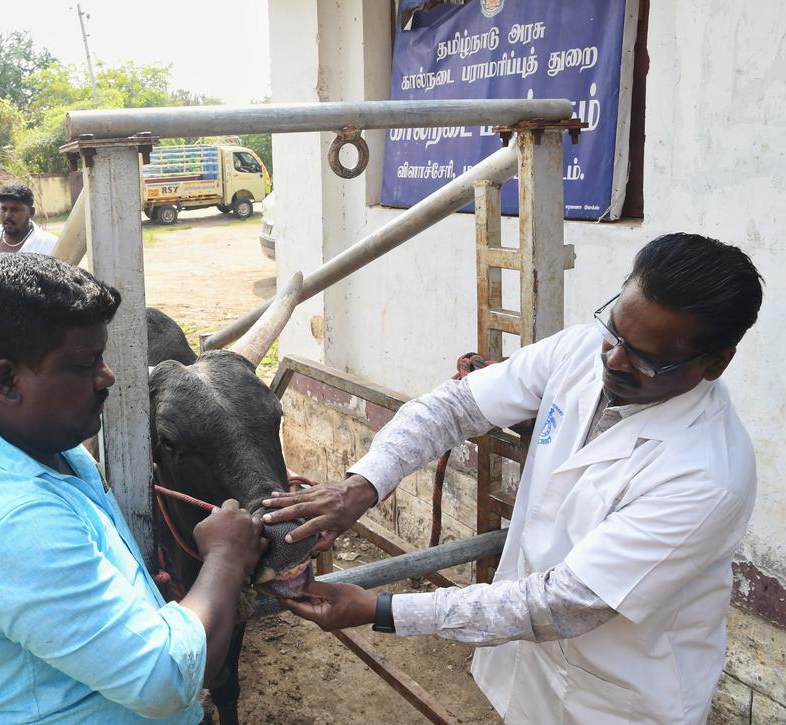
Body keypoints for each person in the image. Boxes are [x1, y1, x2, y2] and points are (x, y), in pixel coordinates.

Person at [261, 233, 764, 724]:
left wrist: (383, 609)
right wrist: (364, 484)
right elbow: (456, 406)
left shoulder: (705, 475)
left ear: (715, 362)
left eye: (648, 359)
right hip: (536, 665)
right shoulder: (583, 351)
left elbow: (565, 602)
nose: (613, 360)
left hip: (620, 694)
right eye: (614, 331)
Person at [0, 253, 266, 723]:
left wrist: (139, 595)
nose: (108, 377)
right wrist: (225, 557)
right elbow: (165, 682)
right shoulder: (14, 523)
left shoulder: (15, 439)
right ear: (6, 381)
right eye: (85, 364)